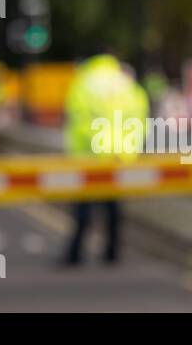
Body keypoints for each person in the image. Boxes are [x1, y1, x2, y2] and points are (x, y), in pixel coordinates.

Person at [62, 52, 149, 265]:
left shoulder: (83, 82)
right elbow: (139, 117)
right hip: (118, 156)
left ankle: (75, 254)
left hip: (90, 156)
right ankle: (112, 252)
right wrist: (129, 150)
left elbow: (76, 118)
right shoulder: (126, 82)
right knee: (113, 207)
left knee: (83, 208)